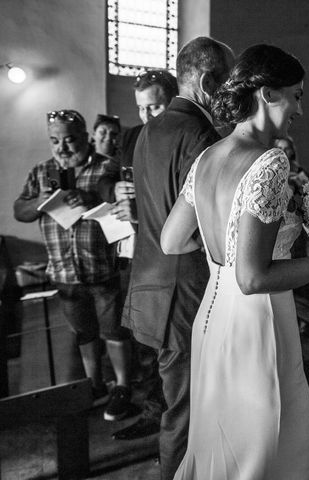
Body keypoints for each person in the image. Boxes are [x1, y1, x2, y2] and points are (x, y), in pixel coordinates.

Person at [160, 44, 309, 480]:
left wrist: (225, 251)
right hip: (258, 324)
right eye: (297, 94)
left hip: (211, 318)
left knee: (221, 442)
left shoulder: (206, 157)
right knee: (264, 448)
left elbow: (172, 241)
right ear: (268, 94)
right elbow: (253, 278)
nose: (300, 109)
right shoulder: (268, 162)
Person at [121, 37, 234, 480]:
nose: (229, 93)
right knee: (185, 414)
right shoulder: (200, 136)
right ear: (207, 81)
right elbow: (202, 227)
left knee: (180, 406)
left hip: (151, 288)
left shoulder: (150, 130)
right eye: (225, 83)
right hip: (183, 297)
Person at [13, 109, 133, 421]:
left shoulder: (106, 166)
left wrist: (94, 201)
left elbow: (128, 206)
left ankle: (121, 386)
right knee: (84, 333)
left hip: (101, 267)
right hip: (64, 271)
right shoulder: (42, 172)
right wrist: (40, 200)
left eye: (69, 140)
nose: (63, 148)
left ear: (85, 138)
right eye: (55, 141)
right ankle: (95, 384)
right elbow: (20, 210)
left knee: (115, 331)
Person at [105, 70, 179, 442]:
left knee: (165, 342)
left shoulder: (184, 138)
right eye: (141, 107)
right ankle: (153, 409)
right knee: (142, 337)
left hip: (169, 253)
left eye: (155, 105)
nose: (148, 115)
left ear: (172, 99)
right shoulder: (133, 136)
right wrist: (114, 187)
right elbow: (105, 176)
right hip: (134, 253)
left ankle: (163, 416)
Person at [275, 136, 309, 259]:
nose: (283, 151)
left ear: (292, 150)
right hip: (280, 216)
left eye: (286, 148)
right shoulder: (273, 169)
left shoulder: (298, 169)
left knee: (299, 250)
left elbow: (308, 191)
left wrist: (299, 183)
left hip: (296, 213)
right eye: (279, 148)